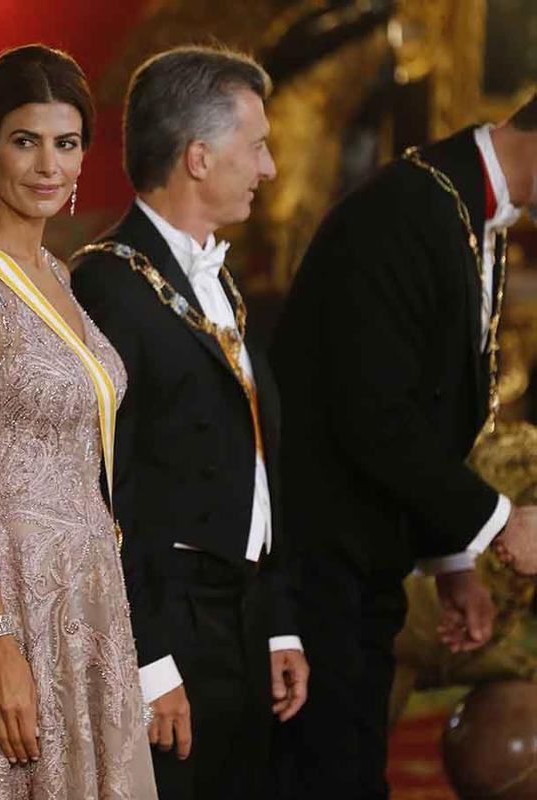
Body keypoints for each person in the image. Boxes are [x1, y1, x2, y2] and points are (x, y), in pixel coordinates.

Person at [269, 93, 537, 800]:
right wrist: (501, 521)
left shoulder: (467, 210)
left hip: (367, 562)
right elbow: (373, 416)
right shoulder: (403, 210)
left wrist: (454, 560)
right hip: (314, 567)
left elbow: (433, 411)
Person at [0, 44, 158, 799]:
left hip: (86, 599)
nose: (49, 165)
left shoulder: (59, 272)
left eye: (67, 142)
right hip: (7, 601)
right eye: (25, 142)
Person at [70, 47, 308, 800]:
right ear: (199, 158)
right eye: (258, 146)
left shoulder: (214, 277)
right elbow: (108, 491)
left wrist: (277, 623)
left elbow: (257, 463)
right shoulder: (110, 284)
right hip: (172, 622)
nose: (268, 169)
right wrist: (151, 661)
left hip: (238, 615)